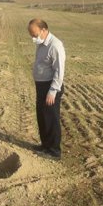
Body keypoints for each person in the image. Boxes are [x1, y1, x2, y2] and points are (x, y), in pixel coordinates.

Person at [28, 18, 66, 160]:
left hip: (51, 87)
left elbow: (59, 71)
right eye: (31, 35)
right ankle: (45, 145)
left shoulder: (55, 45)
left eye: (35, 34)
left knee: (51, 118)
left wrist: (53, 90)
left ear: (44, 30)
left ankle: (54, 151)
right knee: (42, 117)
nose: (33, 38)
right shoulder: (42, 43)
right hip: (41, 85)